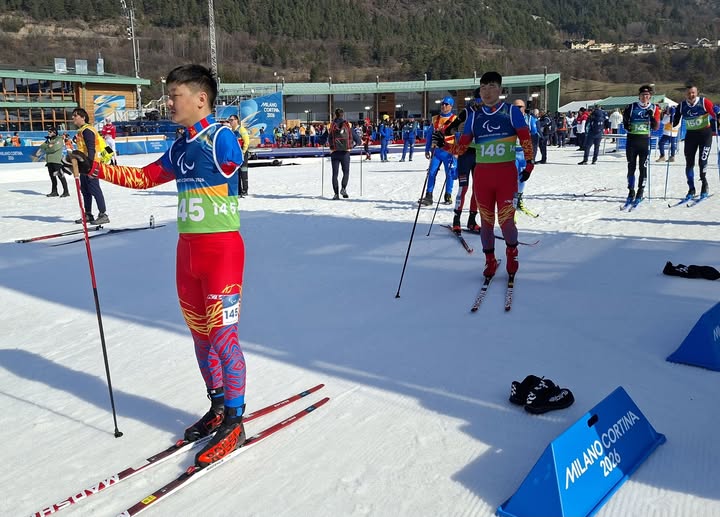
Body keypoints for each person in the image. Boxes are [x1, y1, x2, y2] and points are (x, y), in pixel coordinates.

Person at [60, 64, 247, 468]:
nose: (169, 102)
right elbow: (145, 177)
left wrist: (232, 138)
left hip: (221, 253)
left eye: (175, 95)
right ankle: (218, 406)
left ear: (201, 99)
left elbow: (235, 159)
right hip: (188, 253)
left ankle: (236, 420)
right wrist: (93, 167)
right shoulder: (181, 146)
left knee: (223, 337)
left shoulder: (220, 137)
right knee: (201, 339)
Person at [435, 71, 534, 277]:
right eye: (483, 88)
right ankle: (489, 260)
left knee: (506, 221)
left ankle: (512, 254)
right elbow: (462, 149)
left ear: (500, 90)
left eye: (491, 87)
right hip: (483, 177)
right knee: (486, 222)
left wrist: (529, 165)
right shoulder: (474, 116)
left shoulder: (511, 112)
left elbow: (525, 139)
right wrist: (443, 144)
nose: (487, 91)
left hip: (506, 176)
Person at [672, 83, 719, 199]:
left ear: (697, 93)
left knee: (702, 161)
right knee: (689, 163)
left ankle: (704, 185)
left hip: (705, 135)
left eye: (693, 92)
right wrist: (672, 115)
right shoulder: (682, 106)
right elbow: (675, 122)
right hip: (691, 137)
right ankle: (691, 189)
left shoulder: (704, 102)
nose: (691, 95)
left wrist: (718, 113)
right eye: (689, 93)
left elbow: (715, 115)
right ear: (686, 94)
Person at [68, 108, 111, 224]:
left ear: (83, 117)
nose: (73, 118)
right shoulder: (81, 131)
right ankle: (88, 214)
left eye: (75, 115)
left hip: (91, 165)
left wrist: (90, 167)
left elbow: (91, 149)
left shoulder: (88, 130)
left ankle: (103, 214)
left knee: (94, 189)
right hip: (84, 165)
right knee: (85, 190)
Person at [622, 85, 660, 204]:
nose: (645, 97)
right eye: (643, 95)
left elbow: (656, 127)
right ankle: (631, 191)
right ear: (639, 96)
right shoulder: (631, 107)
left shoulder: (654, 108)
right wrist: (627, 126)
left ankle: (640, 191)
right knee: (631, 168)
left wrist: (651, 117)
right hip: (632, 141)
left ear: (650, 97)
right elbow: (625, 121)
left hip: (644, 141)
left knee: (643, 168)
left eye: (647, 95)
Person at [420, 96, 457, 206]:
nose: (443, 106)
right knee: (431, 173)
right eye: (442, 104)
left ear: (451, 106)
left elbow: (459, 136)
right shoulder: (435, 119)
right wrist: (427, 149)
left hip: (449, 152)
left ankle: (448, 195)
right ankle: (429, 195)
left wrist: (457, 151)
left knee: (449, 174)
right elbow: (430, 134)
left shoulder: (455, 119)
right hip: (436, 151)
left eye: (446, 104)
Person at [328, 108, 361, 199]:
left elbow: (323, 138)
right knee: (346, 172)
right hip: (345, 153)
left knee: (335, 174)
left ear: (335, 115)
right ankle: (343, 188)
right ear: (343, 115)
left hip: (334, 152)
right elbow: (358, 140)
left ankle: (336, 194)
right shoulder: (347, 125)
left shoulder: (331, 125)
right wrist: (352, 146)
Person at [38, 126, 69, 197]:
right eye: (48, 132)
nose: (48, 133)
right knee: (52, 178)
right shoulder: (49, 140)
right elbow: (42, 146)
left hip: (56, 161)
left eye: (50, 132)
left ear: (54, 132)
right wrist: (48, 144)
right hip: (49, 161)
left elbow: (54, 148)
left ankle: (66, 192)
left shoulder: (59, 139)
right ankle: (54, 192)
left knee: (60, 176)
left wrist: (47, 149)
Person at [228, 114, 250, 196]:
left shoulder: (241, 129)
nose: (230, 122)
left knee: (243, 171)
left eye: (232, 120)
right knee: (236, 172)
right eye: (229, 120)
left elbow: (246, 141)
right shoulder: (231, 131)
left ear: (236, 120)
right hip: (235, 155)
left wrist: (243, 152)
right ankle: (238, 190)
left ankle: (245, 190)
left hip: (242, 153)